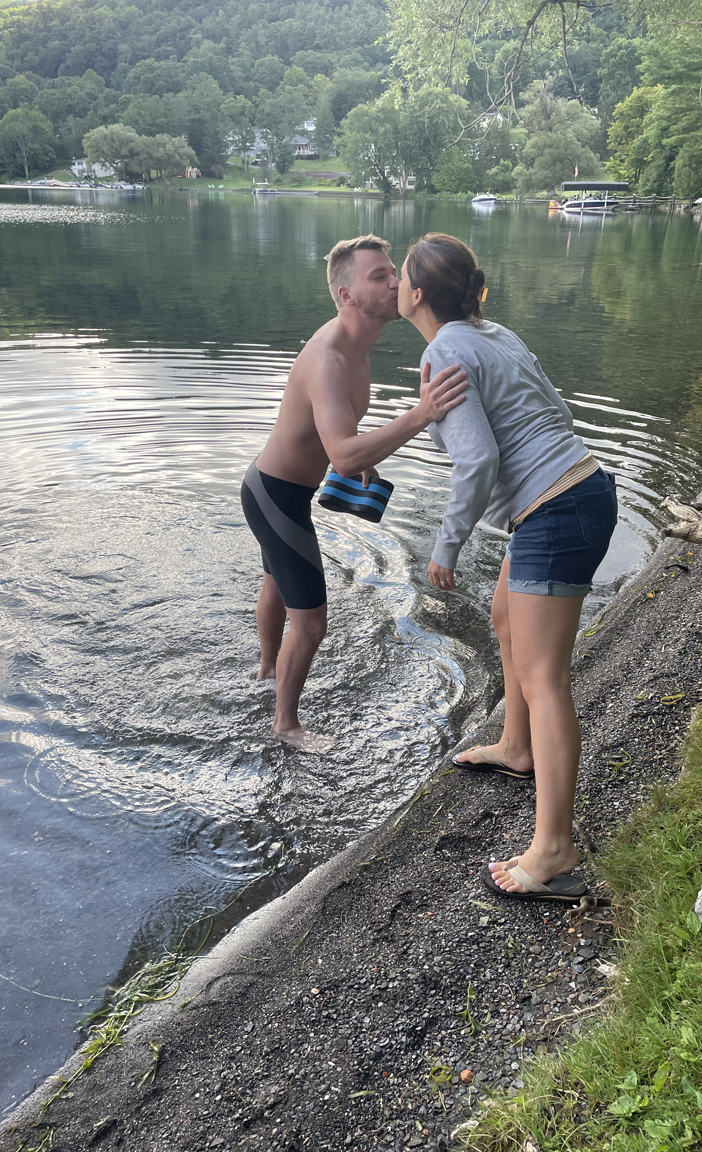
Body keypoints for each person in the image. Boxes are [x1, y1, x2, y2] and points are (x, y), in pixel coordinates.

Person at [397, 232, 617, 901]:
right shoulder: (495, 333)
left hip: (556, 509)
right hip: (578, 487)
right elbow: (554, 410)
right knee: (503, 619)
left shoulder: (443, 353)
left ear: (416, 293)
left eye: (401, 274)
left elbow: (479, 461)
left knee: (544, 676)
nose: (397, 286)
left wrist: (446, 545)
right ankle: (516, 747)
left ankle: (555, 848)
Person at [241, 234, 467, 752]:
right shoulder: (330, 360)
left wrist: (368, 457)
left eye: (393, 273)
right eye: (379, 277)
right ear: (346, 295)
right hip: (275, 495)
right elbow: (342, 454)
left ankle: (265, 667)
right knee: (313, 623)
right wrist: (422, 413)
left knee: (277, 575)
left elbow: (339, 439)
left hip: (277, 489)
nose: (396, 283)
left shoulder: (356, 344)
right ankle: (285, 725)